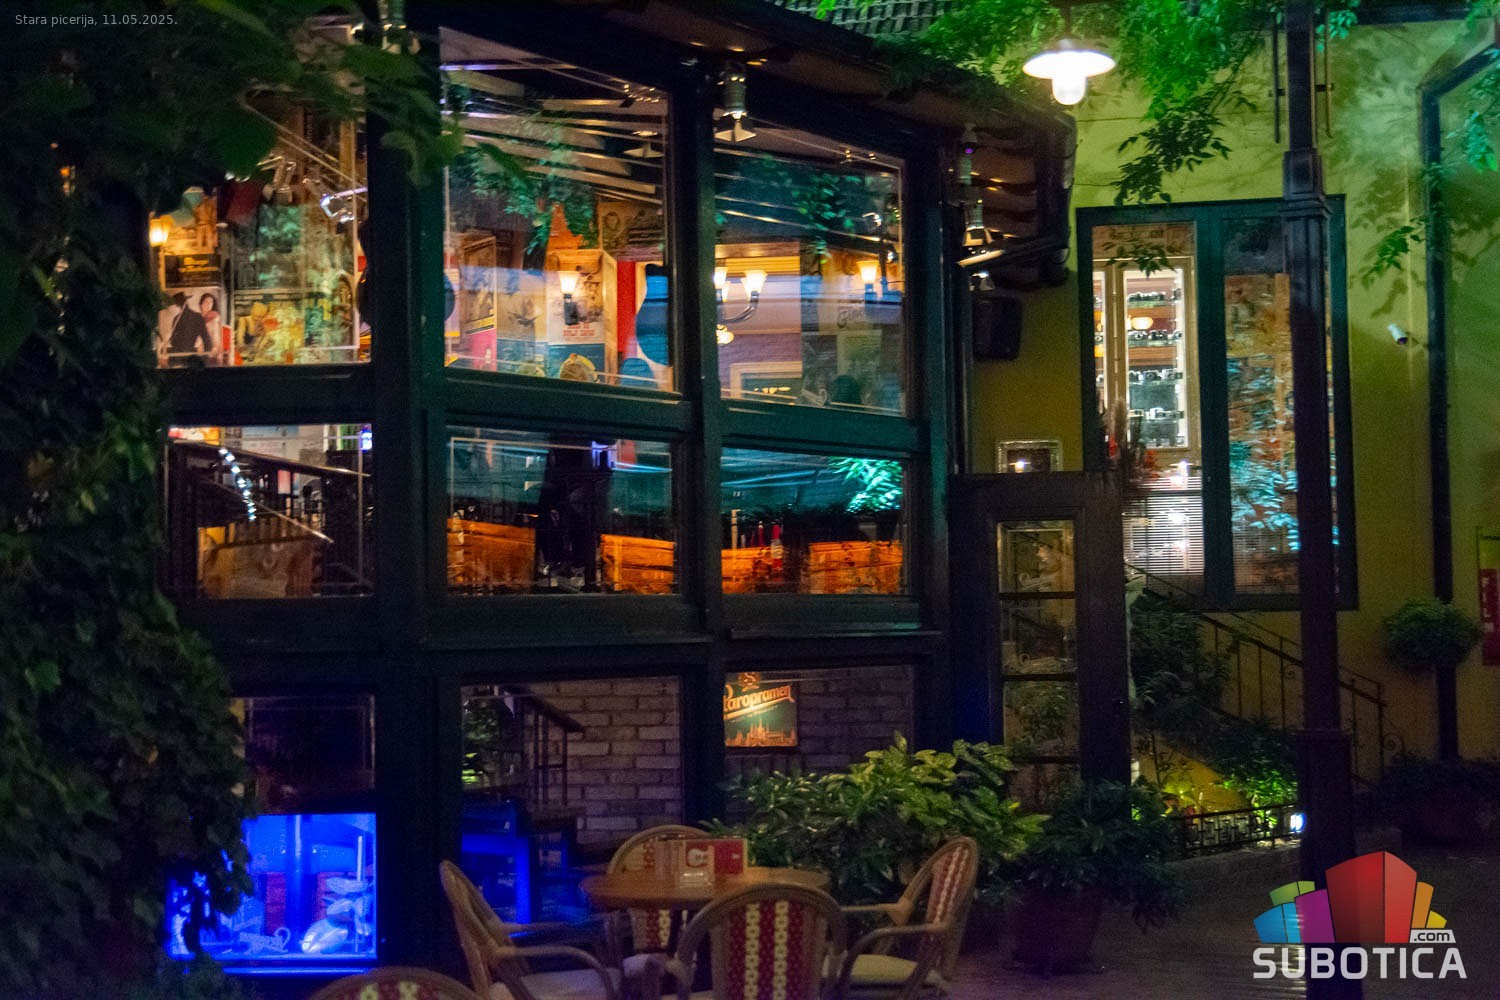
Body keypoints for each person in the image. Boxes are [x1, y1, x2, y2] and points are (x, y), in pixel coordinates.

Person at [167, 291, 212, 365]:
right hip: (184, 358)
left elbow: (207, 341)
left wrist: (205, 359)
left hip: (179, 358)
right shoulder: (196, 317)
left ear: (177, 305)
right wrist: (205, 360)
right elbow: (207, 341)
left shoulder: (195, 317)